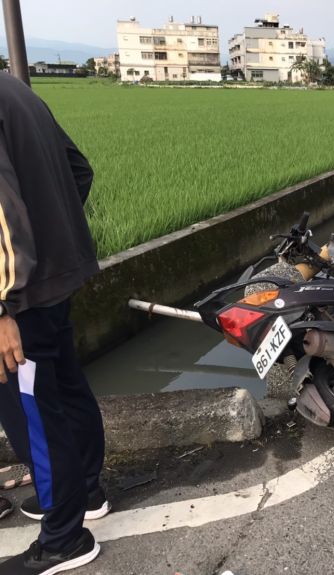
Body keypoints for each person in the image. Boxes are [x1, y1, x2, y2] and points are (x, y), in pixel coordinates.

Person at [0, 73, 109, 573]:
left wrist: (4, 306)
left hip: (20, 298)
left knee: (33, 413)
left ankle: (64, 538)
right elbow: (78, 170)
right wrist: (55, 241)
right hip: (56, 279)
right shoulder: (14, 88)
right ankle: (86, 492)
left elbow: (3, 214)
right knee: (64, 388)